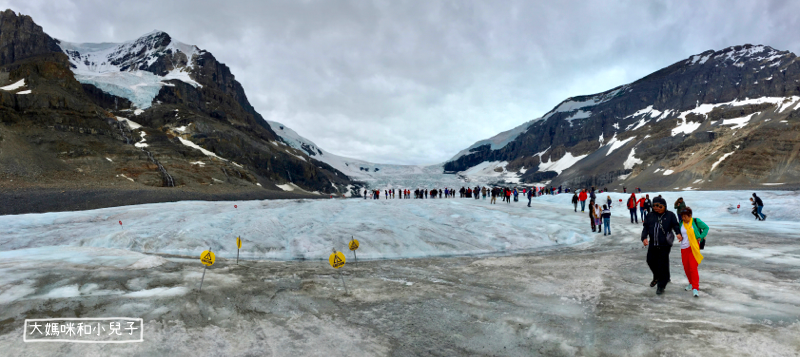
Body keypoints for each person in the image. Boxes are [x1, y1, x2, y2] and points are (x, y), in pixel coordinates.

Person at [641, 197, 683, 295]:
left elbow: (675, 225)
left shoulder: (670, 215)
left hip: (664, 245)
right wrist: (644, 238)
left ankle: (661, 285)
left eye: (659, 206)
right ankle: (658, 276)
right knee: (650, 260)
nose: (657, 208)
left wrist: (678, 233)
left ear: (664, 206)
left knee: (662, 264)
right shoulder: (650, 215)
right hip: (653, 244)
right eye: (654, 205)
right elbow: (645, 228)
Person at [678, 207, 708, 298]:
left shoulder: (695, 221)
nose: (683, 218)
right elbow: (680, 233)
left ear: (690, 215)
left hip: (693, 248)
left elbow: (706, 228)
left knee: (693, 268)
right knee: (686, 268)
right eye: (682, 216)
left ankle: (695, 288)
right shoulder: (681, 223)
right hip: (684, 248)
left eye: (685, 216)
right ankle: (690, 283)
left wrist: (701, 237)